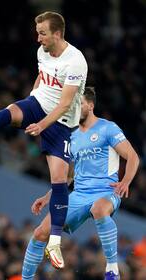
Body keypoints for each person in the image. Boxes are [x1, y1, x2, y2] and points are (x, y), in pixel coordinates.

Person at [0, 11, 88, 267]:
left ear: (57, 33)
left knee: (60, 179)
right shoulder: (42, 52)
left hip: (61, 123)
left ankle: (54, 243)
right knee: (5, 114)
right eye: (37, 32)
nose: (38, 38)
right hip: (39, 103)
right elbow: (41, 76)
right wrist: (31, 99)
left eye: (43, 33)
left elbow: (66, 104)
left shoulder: (76, 61)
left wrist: (41, 125)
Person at [21, 87, 140, 280]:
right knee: (41, 233)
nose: (75, 108)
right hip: (78, 194)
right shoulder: (72, 136)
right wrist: (48, 196)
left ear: (91, 106)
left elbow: (133, 156)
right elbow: (68, 176)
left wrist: (125, 181)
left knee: (99, 209)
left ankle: (112, 269)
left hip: (106, 191)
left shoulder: (108, 128)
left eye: (80, 104)